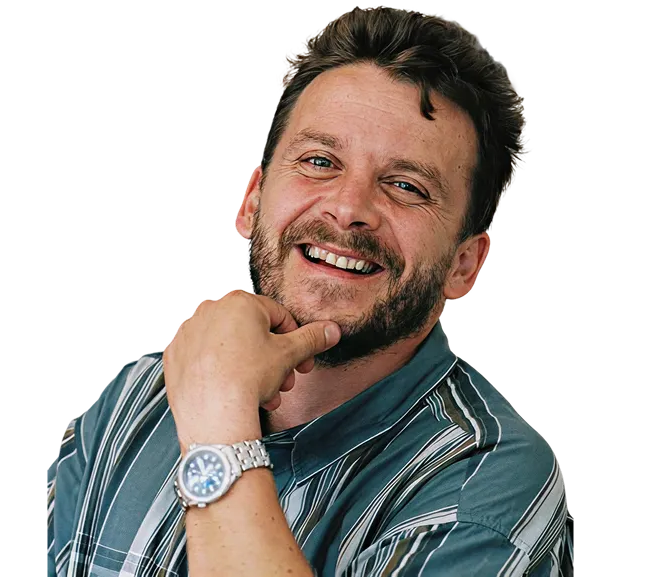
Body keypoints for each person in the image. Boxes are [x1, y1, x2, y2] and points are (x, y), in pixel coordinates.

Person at [45, 6, 574, 576]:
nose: (348, 208)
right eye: (320, 161)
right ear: (251, 201)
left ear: (465, 265)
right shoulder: (135, 400)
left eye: (404, 185)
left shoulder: (490, 488)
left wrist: (220, 429)